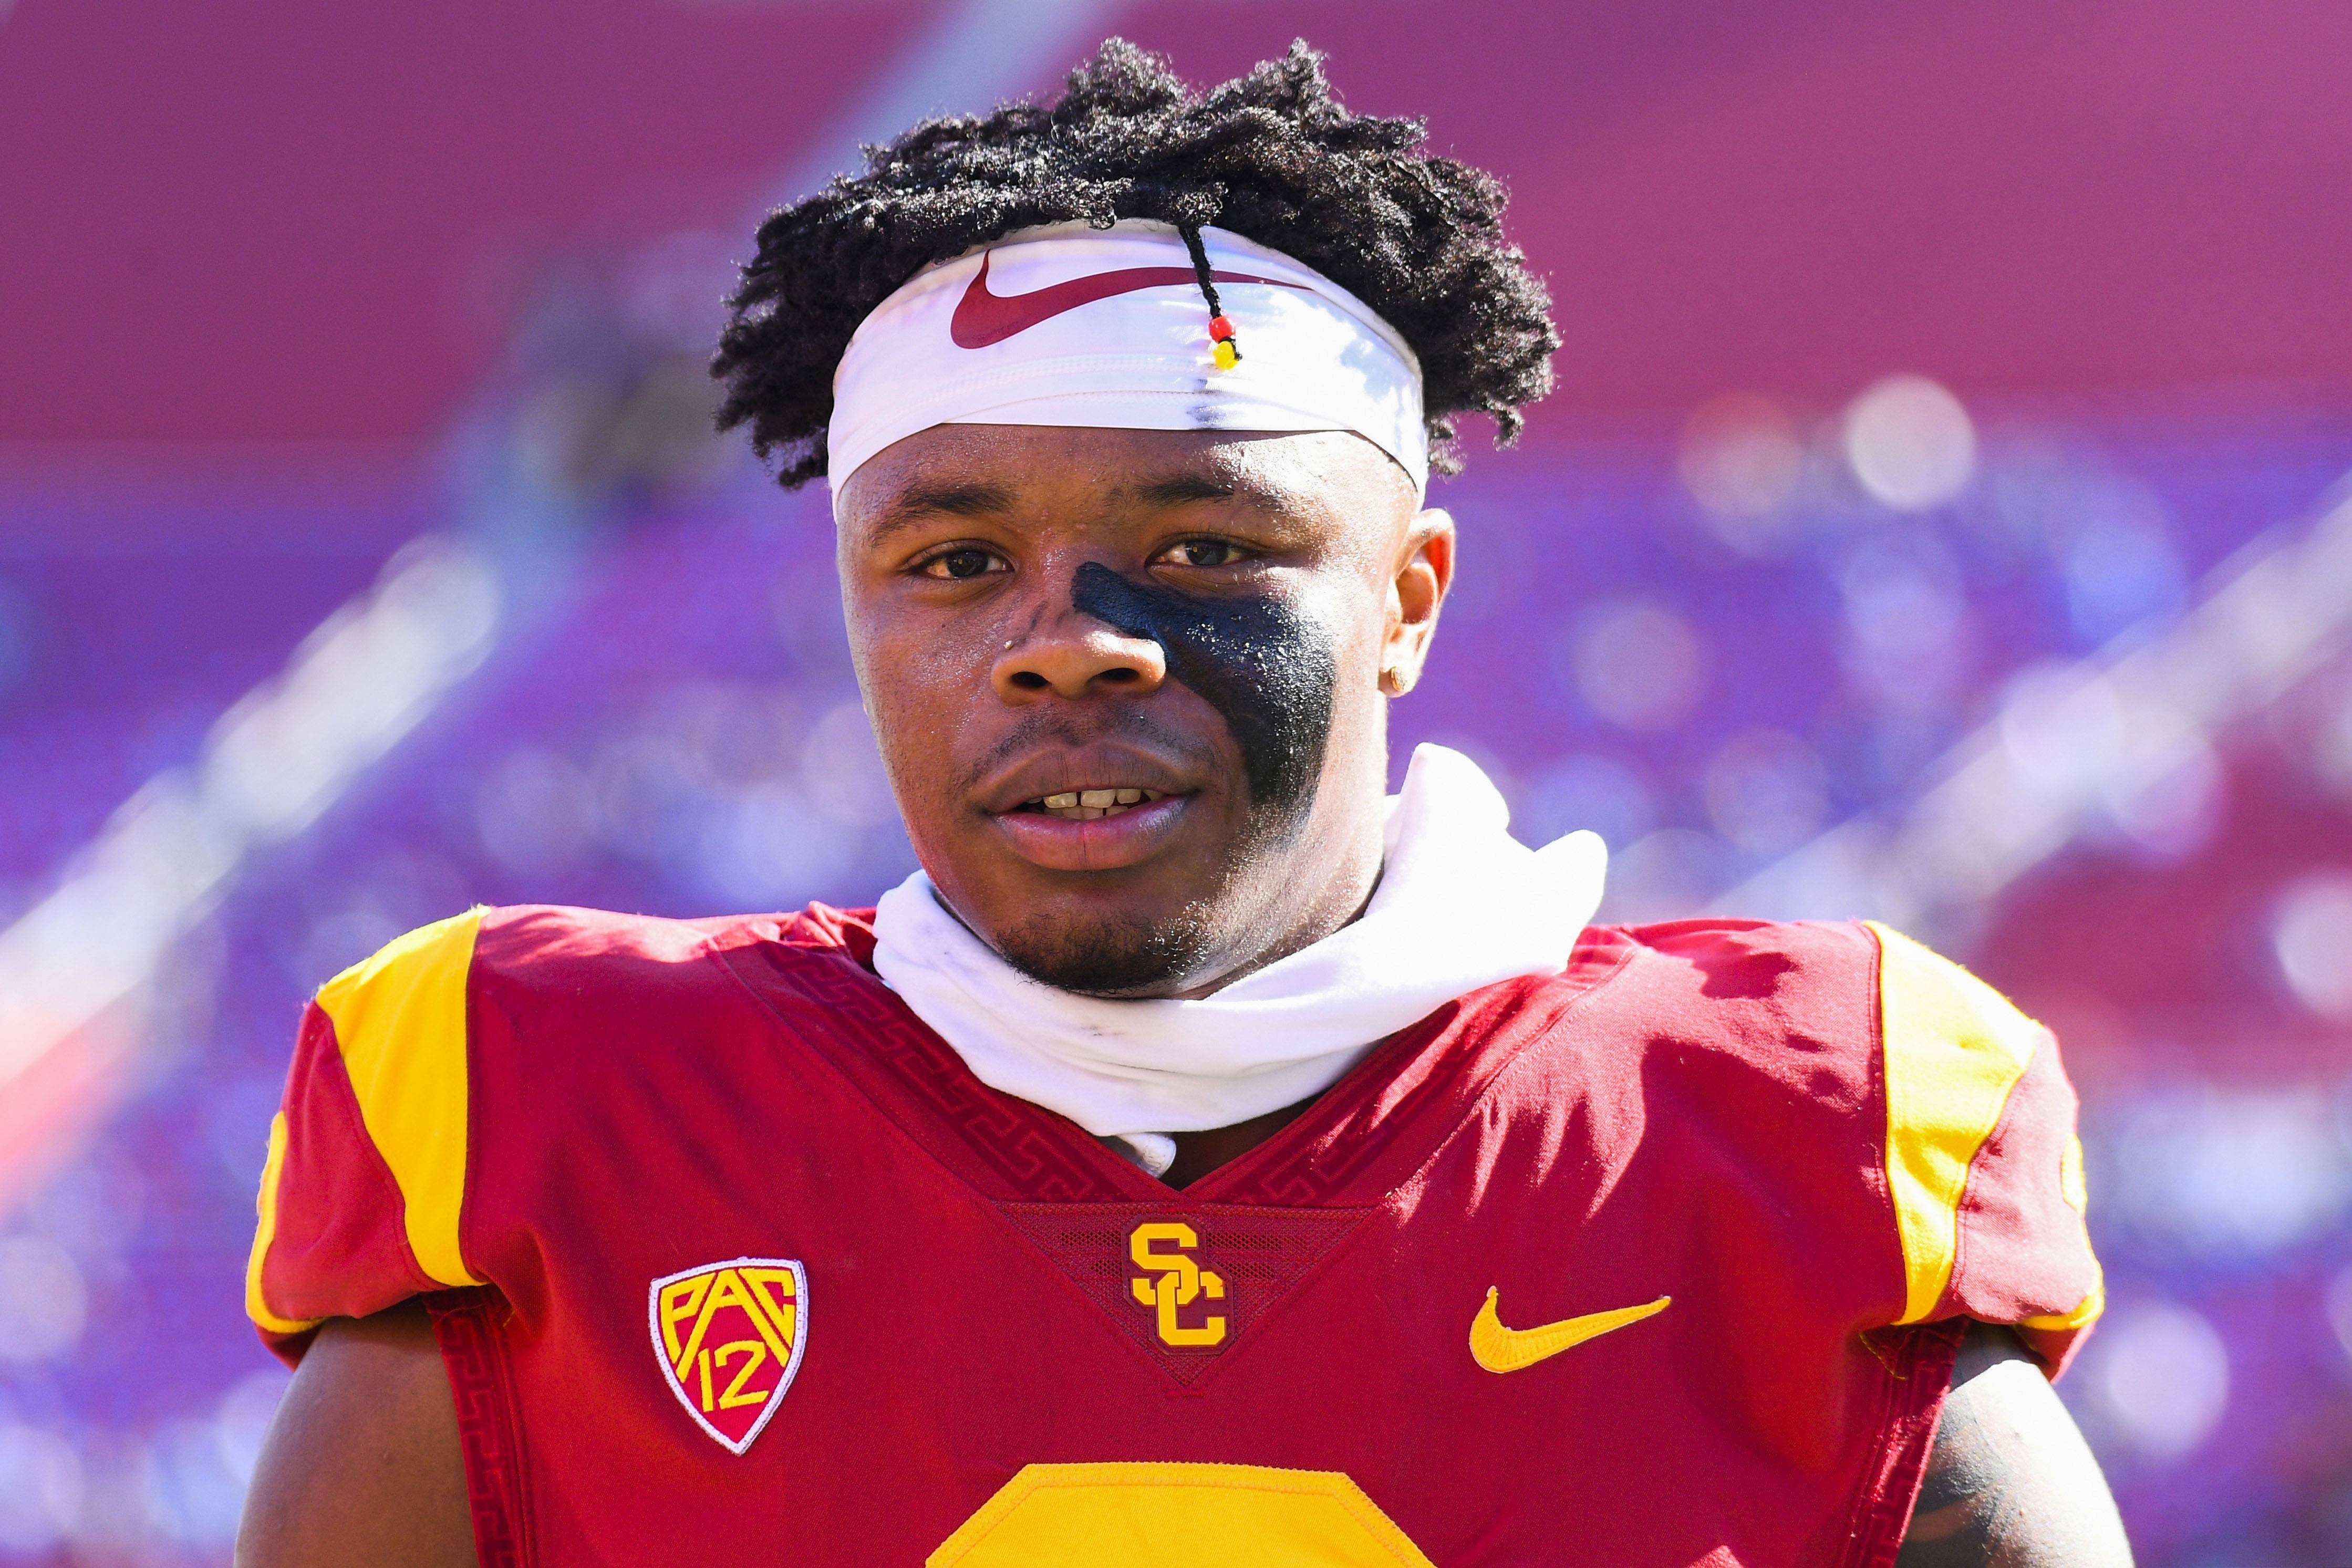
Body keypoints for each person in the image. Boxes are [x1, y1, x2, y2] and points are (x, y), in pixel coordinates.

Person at [235, 40, 2131, 1567]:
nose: (1072, 645)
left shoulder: (1779, 1157)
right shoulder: (551, 1138)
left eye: (1206, 545)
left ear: (1405, 597)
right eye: (959, 562)